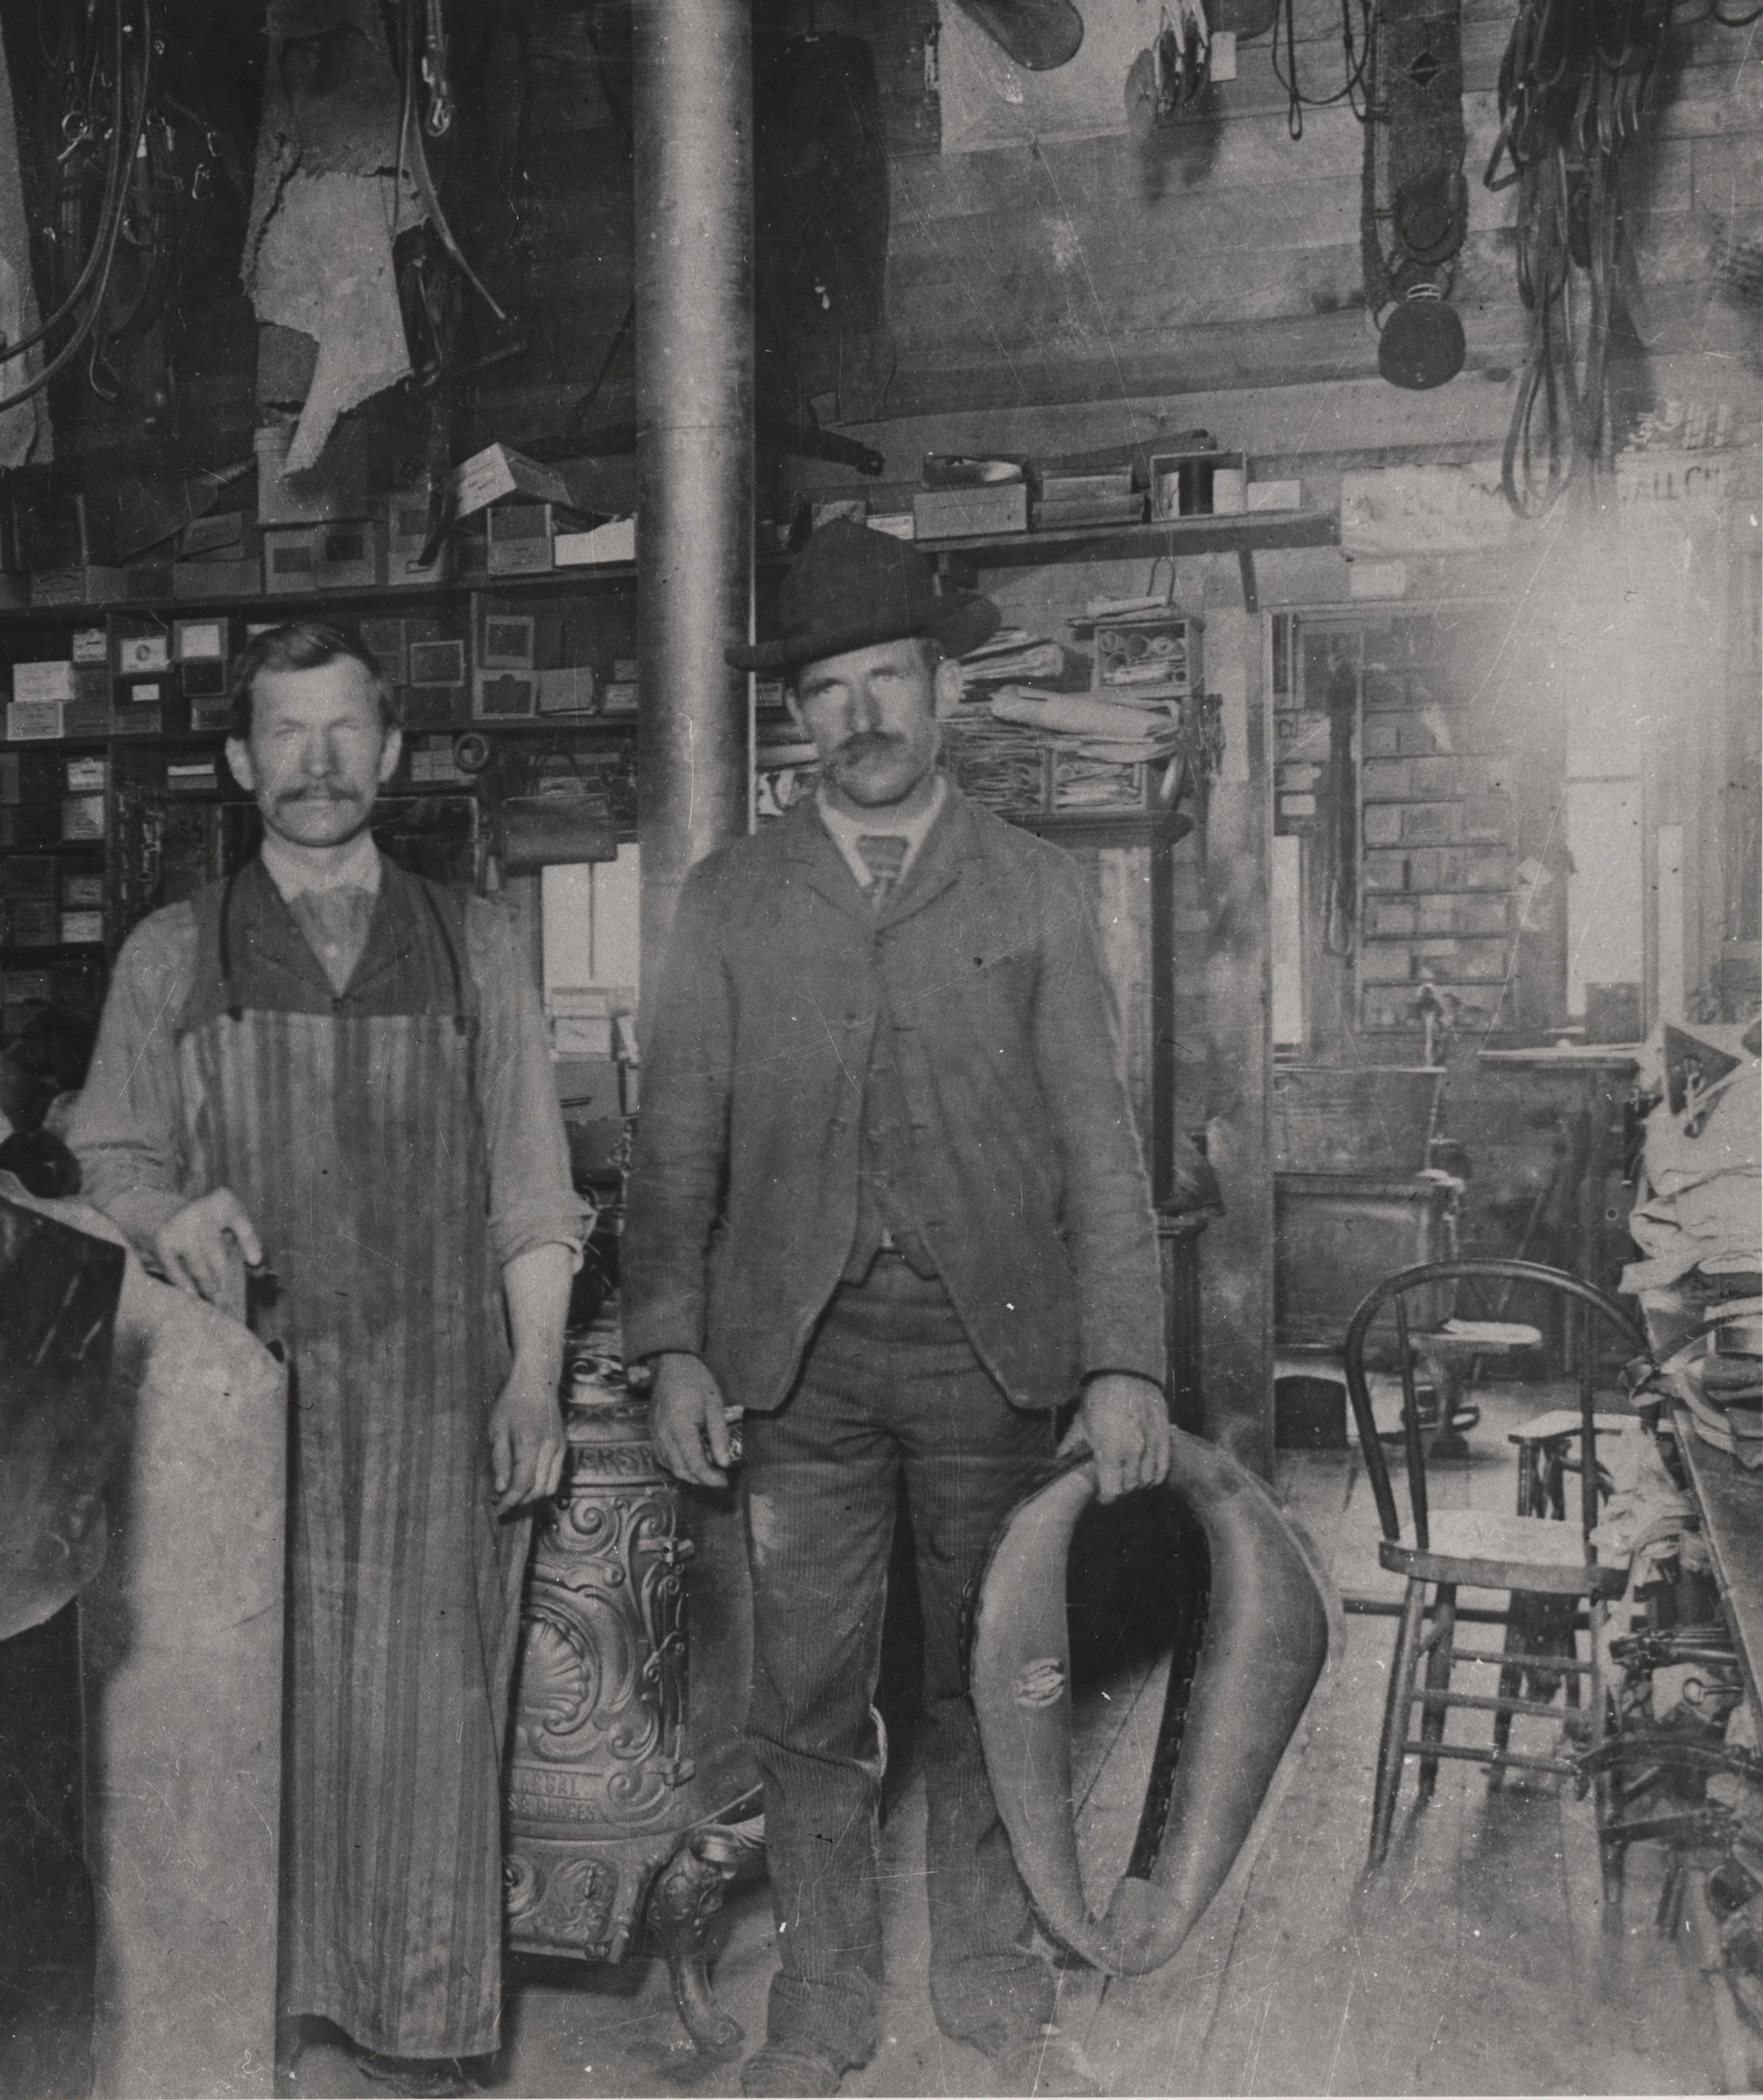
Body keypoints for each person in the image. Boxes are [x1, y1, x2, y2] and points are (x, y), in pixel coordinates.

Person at [622, 521, 1172, 2099]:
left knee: (998, 1680)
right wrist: (670, 1343)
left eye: (882, 680)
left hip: (987, 1348)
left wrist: (1121, 1357)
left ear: (942, 686)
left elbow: (1095, 1143)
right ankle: (821, 2009)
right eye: (823, 691)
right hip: (790, 1363)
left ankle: (995, 2001)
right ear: (795, 716)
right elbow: (677, 1148)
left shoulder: (1042, 889)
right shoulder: (729, 898)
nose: (856, 716)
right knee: (804, 1698)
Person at [71, 619, 583, 2095]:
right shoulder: (175, 950)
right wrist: (168, 1210)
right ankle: (255, 2031)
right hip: (243, 1410)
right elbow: (107, 1155)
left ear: (392, 754)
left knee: (426, 1738)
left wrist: (531, 1376)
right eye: (284, 735)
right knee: (244, 1716)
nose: (315, 763)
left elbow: (533, 1187)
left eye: (344, 730)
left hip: (434, 1404)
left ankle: (416, 2043)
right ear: (238, 764)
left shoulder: (473, 939)